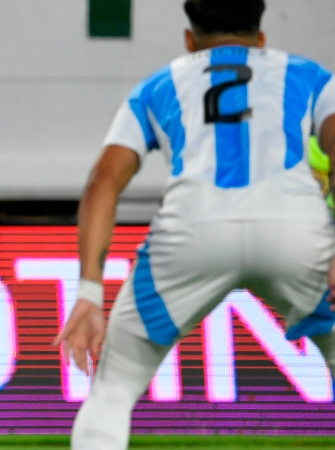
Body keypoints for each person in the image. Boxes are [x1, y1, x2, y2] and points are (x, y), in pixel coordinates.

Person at [56, 1, 335, 449]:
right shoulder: (312, 77)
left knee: (113, 388)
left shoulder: (158, 86)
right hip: (297, 234)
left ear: (190, 40)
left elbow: (102, 181)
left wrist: (89, 292)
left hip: (192, 233)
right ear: (262, 37)